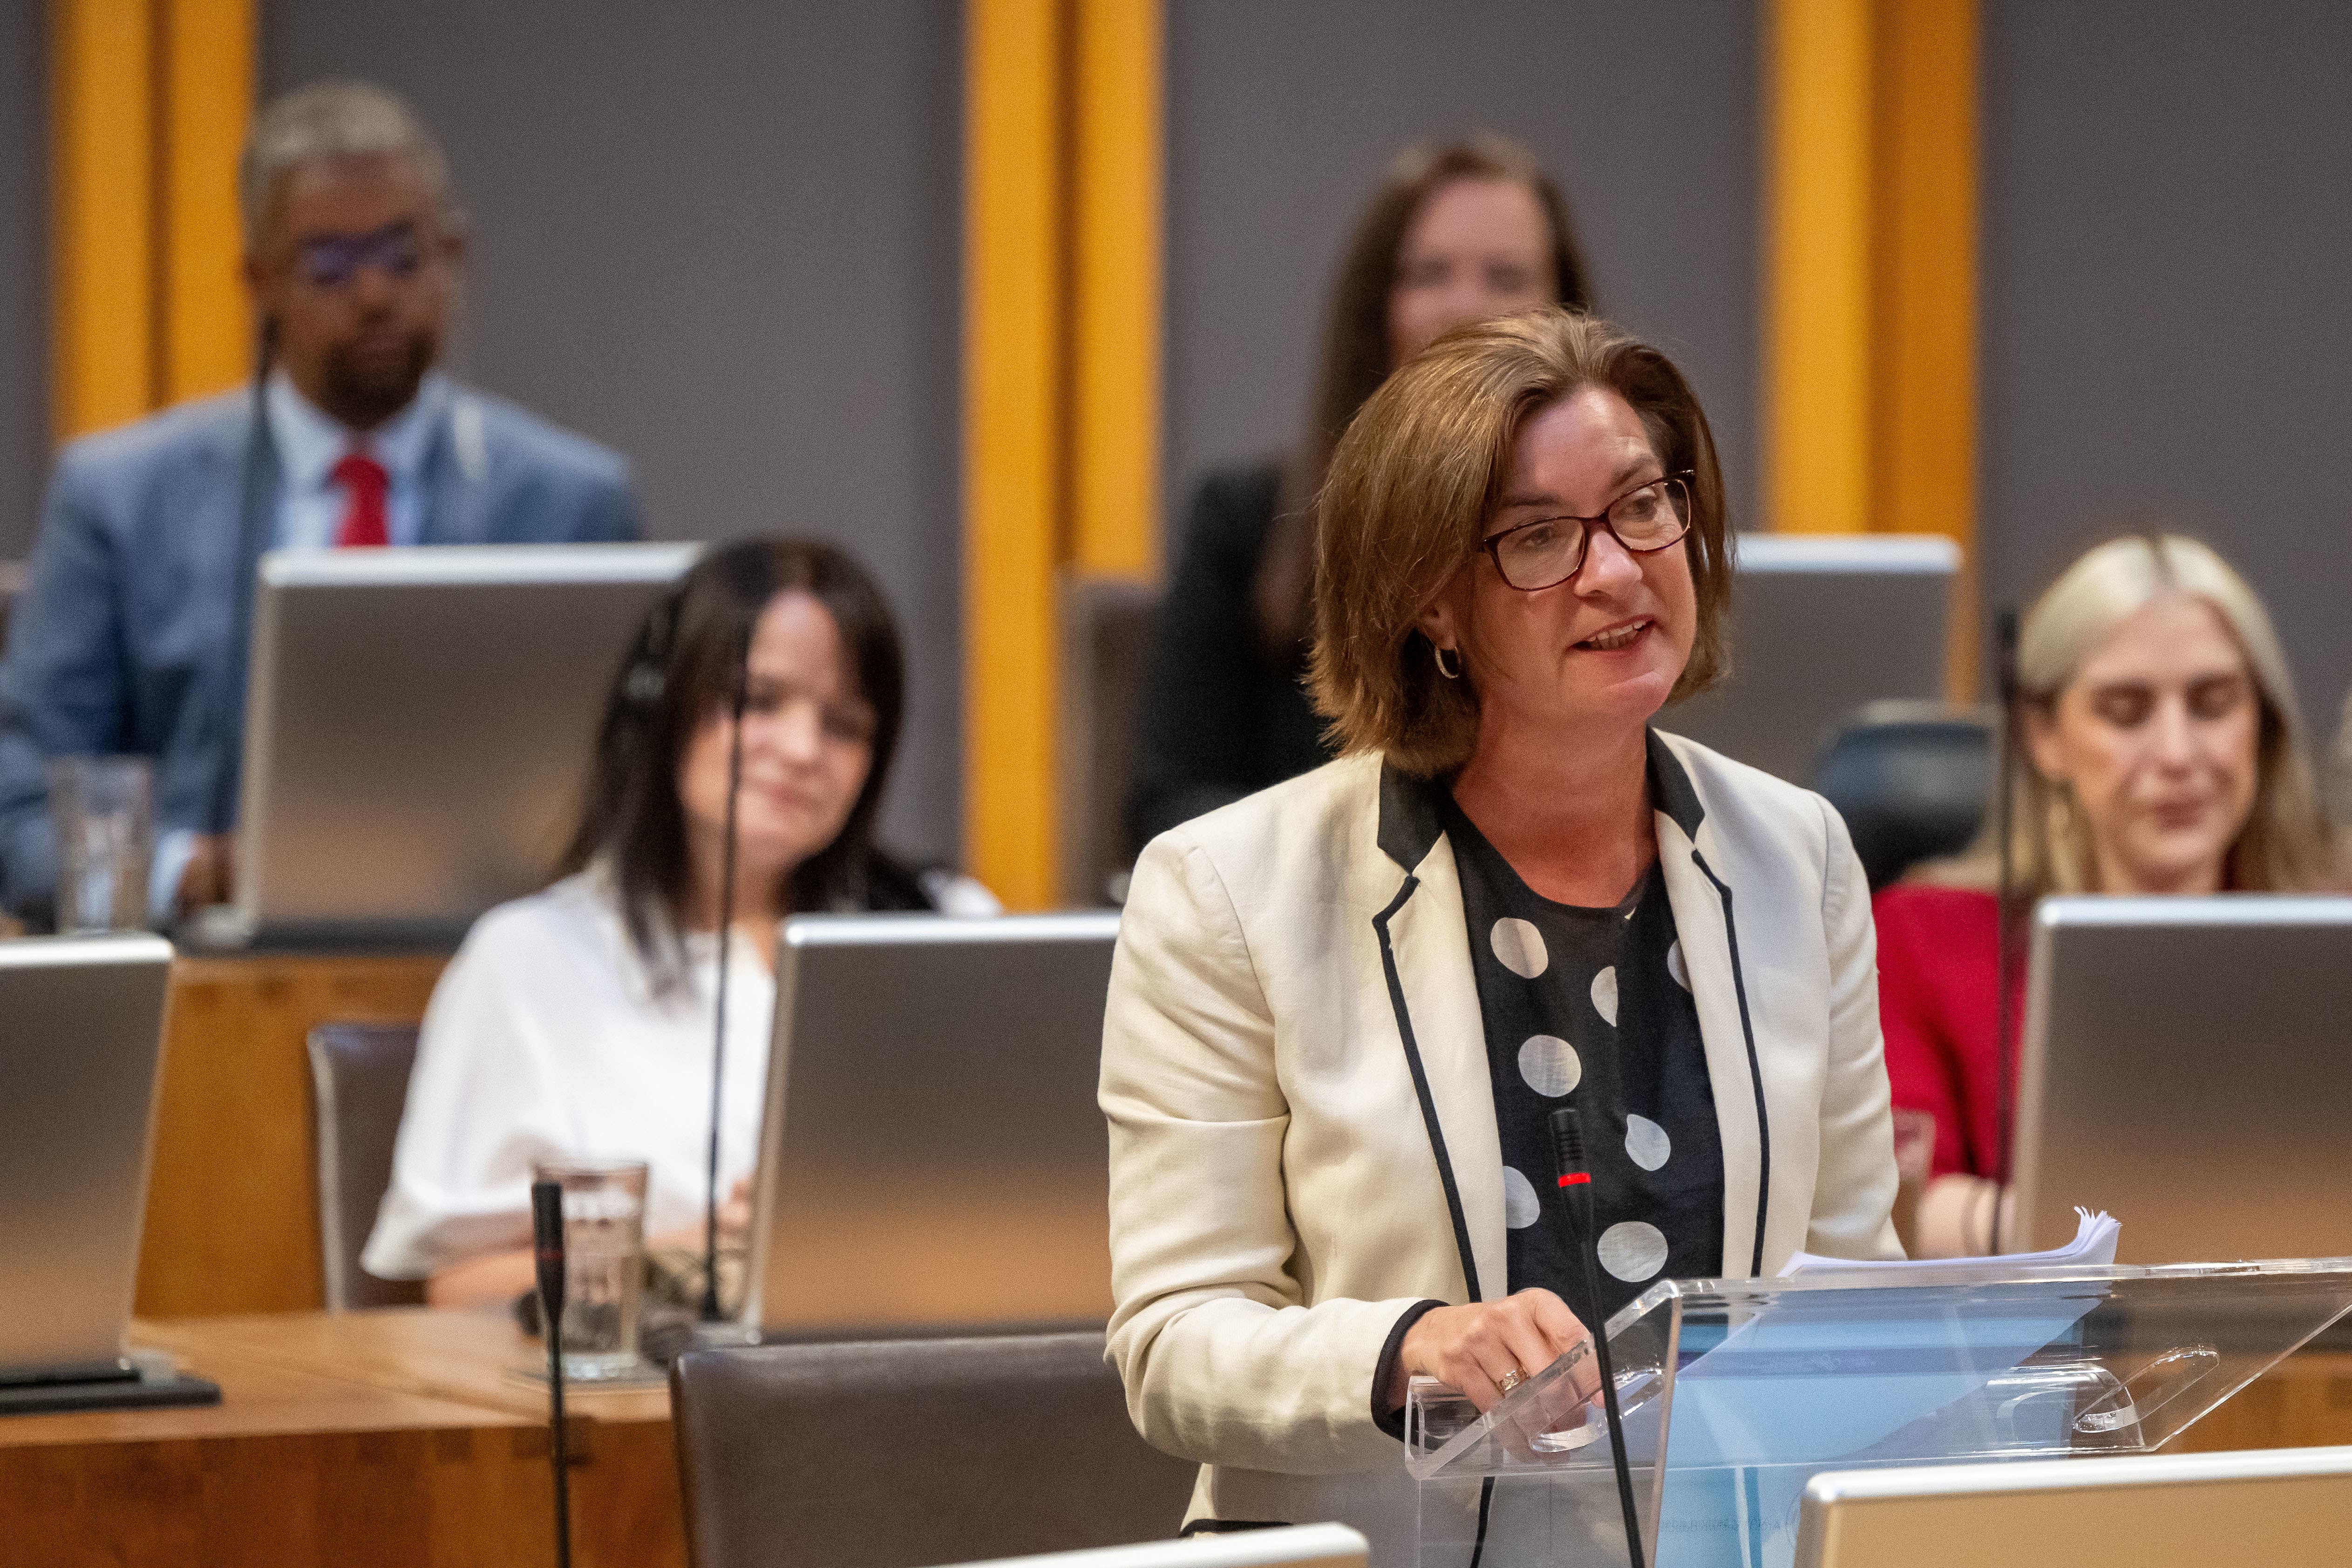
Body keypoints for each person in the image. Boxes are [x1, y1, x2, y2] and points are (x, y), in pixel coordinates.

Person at [1101, 308, 1899, 1555]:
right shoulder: (1225, 891)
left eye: (1643, 505)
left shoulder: (1798, 858)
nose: (1620, 571)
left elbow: (1852, 1292)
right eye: (1537, 537)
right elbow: (1173, 1345)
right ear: (1431, 602)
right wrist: (1408, 1348)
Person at [0, 81, 640, 924]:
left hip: (497, 965)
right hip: (205, 984)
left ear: (456, 253)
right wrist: (195, 871)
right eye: (329, 265)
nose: (373, 294)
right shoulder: (122, 500)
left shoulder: (570, 504)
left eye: (402, 256)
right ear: (257, 279)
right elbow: (20, 808)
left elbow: (641, 805)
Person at [364, 540, 996, 1305]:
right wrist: (695, 1253)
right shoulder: (527, 959)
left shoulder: (950, 925)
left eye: (844, 725)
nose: (801, 750)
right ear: (659, 705)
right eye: (758, 701)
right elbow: (460, 1289)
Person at [1128, 136, 1593, 849]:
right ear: (1378, 313)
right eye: (1429, 274)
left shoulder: (1615, 547)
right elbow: (1170, 806)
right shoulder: (1245, 522)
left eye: (1505, 277)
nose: (1465, 308)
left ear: (1566, 317)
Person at [1876, 535, 2336, 1256]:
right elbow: (1898, 1208)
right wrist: (2166, 1236)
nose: (2178, 755)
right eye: (2126, 712)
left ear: (2262, 722)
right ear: (2045, 735)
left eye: (2213, 704)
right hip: (2038, 1355)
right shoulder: (1924, 936)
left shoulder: (2331, 931)